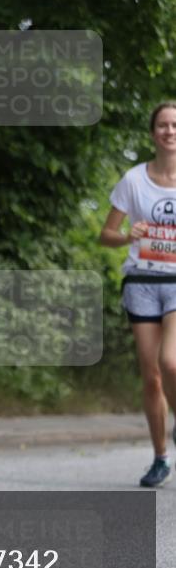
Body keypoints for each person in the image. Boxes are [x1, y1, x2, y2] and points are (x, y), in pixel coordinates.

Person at [99, 101, 176, 488]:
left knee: (171, 362)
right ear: (153, 133)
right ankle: (161, 457)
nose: (170, 131)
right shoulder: (133, 180)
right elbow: (105, 235)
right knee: (152, 378)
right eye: (163, 125)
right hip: (141, 282)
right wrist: (130, 235)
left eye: (175, 125)